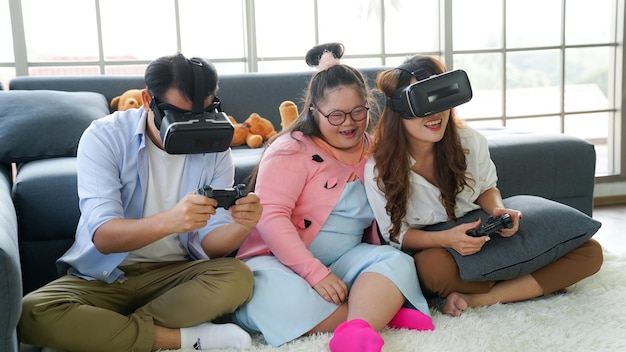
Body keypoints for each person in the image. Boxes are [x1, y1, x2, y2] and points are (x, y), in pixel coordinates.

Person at [17, 53, 262, 352]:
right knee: (31, 312)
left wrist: (241, 226)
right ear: (148, 100)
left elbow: (211, 246)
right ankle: (179, 339)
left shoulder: (214, 145)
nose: (195, 124)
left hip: (174, 276)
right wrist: (170, 220)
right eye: (180, 116)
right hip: (102, 278)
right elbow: (104, 238)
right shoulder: (105, 136)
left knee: (238, 278)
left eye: (206, 111)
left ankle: (99, 332)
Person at [364, 54, 604, 317]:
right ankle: (532, 282)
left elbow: (487, 189)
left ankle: (484, 298)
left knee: (589, 252)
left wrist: (498, 211)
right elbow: (397, 235)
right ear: (399, 109)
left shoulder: (468, 141)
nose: (435, 115)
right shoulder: (379, 169)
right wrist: (448, 239)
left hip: (483, 233)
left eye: (441, 99)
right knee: (430, 269)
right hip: (438, 246)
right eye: (424, 103)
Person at [230, 43, 433, 352]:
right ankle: (372, 315)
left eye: (357, 112)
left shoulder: (376, 149)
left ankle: (355, 326)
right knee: (266, 295)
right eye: (336, 116)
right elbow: (271, 218)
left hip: (346, 260)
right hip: (279, 261)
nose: (349, 123)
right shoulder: (290, 149)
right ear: (314, 112)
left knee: (397, 262)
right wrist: (315, 273)